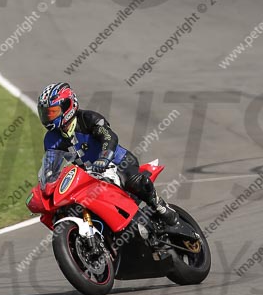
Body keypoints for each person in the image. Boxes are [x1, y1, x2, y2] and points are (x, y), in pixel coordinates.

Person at [37, 82, 178, 226]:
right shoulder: (51, 139)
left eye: (52, 112)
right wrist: (47, 183)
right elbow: (51, 163)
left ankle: (159, 206)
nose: (48, 117)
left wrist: (104, 158)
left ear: (68, 106)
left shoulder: (88, 119)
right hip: (89, 177)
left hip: (119, 163)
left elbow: (109, 137)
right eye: (45, 113)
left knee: (134, 182)